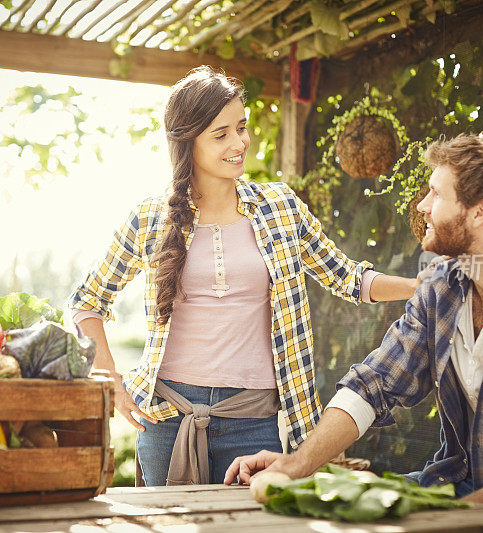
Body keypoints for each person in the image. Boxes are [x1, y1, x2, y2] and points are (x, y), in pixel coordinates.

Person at [224, 133, 483, 531]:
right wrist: (294, 467)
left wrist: (450, 518)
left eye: (436, 194)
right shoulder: (442, 288)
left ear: (479, 212)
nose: (422, 206)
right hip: (460, 486)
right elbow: (374, 385)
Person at [69, 66, 426, 487]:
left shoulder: (280, 206)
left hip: (252, 424)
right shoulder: (151, 217)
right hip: (166, 420)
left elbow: (348, 278)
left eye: (241, 128)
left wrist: (420, 288)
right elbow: (88, 300)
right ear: (187, 142)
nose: (239, 143)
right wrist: (111, 380)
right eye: (221, 135)